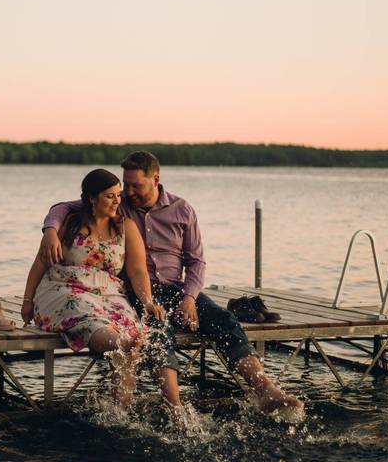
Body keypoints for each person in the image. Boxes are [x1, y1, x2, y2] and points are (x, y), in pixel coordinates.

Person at [39, 151, 304, 420]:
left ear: (156, 179)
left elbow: (197, 261)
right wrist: (50, 230)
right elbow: (65, 207)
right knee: (158, 328)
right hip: (136, 292)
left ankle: (265, 389)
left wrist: (189, 299)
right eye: (125, 184)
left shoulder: (182, 209)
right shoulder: (118, 206)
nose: (128, 192)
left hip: (177, 290)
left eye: (135, 185)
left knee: (223, 320)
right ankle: (174, 406)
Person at [21, 168, 170, 409]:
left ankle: (120, 411)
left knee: (133, 336)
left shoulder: (126, 227)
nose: (117, 201)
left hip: (109, 293)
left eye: (118, 195)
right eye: (110, 196)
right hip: (64, 289)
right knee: (103, 327)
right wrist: (27, 301)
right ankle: (119, 348)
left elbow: (138, 271)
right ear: (92, 198)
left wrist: (148, 302)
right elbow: (40, 263)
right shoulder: (67, 223)